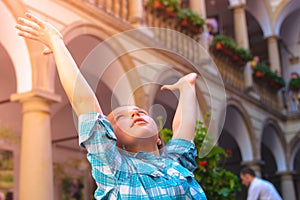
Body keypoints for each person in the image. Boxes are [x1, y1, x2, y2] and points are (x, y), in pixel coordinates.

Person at [16, 13, 207, 199]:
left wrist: (186, 88)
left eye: (140, 111)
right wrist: (57, 44)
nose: (135, 114)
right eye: (121, 118)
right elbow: (84, 102)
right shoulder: (116, 169)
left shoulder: (175, 163)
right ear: (113, 140)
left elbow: (183, 130)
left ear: (158, 138)